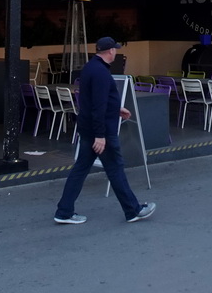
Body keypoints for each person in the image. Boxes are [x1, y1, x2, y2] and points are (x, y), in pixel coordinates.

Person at [54, 35, 156, 225]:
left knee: (81, 169)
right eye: (115, 49)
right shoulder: (101, 72)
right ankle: (133, 210)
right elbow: (98, 105)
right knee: (115, 168)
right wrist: (100, 135)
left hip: (87, 128)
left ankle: (64, 211)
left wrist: (116, 109)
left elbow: (94, 100)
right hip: (101, 132)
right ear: (110, 51)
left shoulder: (90, 68)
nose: (115, 52)